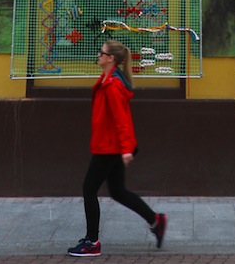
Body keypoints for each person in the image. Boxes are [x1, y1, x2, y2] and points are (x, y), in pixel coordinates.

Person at [67, 39, 167, 257]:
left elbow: (122, 120)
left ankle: (92, 242)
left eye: (101, 52)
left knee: (89, 189)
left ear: (111, 58)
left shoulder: (112, 85)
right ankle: (155, 220)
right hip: (108, 144)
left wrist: (125, 149)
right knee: (118, 191)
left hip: (110, 147)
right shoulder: (108, 79)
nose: (98, 55)